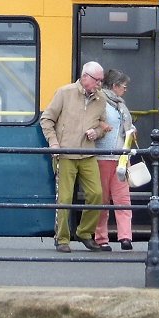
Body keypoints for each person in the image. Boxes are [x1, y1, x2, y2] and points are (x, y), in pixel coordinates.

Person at [39, 61, 111, 252]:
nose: (99, 85)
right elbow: (46, 119)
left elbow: (103, 125)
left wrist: (97, 132)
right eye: (97, 80)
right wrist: (53, 143)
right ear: (85, 77)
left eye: (101, 81)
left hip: (88, 153)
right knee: (64, 198)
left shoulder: (101, 99)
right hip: (65, 153)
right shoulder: (65, 92)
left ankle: (84, 232)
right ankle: (62, 239)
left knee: (97, 194)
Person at [94, 70, 137, 250]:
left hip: (120, 158)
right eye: (123, 86)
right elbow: (92, 122)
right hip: (101, 157)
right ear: (114, 86)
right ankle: (101, 238)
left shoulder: (121, 105)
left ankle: (125, 237)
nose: (125, 90)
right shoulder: (100, 102)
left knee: (123, 199)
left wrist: (132, 130)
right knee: (102, 201)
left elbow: (126, 125)